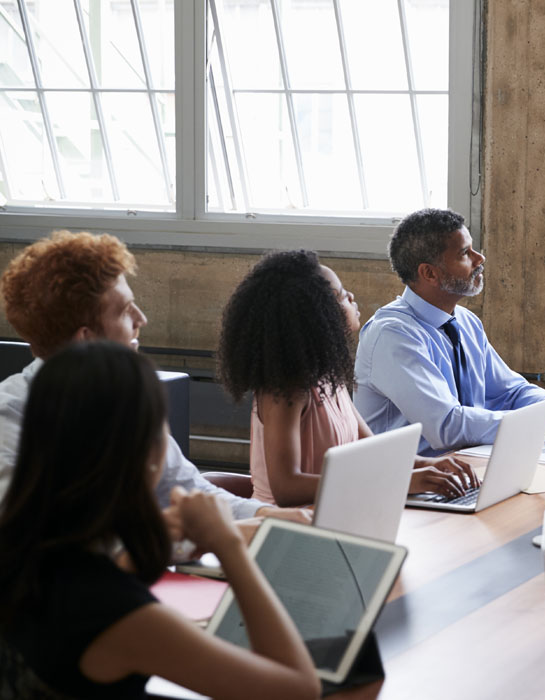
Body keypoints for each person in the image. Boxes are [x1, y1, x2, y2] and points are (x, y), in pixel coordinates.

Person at [0, 342, 320, 699]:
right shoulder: (114, 614)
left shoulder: (26, 554)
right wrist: (229, 546)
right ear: (148, 455)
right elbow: (299, 689)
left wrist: (138, 556)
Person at [0, 231, 306, 525]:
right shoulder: (10, 419)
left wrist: (270, 517)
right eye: (123, 311)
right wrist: (200, 535)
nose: (141, 319)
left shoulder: (125, 400)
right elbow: (46, 537)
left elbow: (189, 490)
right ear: (86, 340)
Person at [216, 250, 478, 507]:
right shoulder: (285, 390)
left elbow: (372, 448)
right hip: (286, 527)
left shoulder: (328, 377)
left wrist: (426, 464)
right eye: (341, 295)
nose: (351, 297)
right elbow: (287, 489)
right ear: (316, 314)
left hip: (336, 513)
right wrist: (403, 480)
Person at [354, 208, 545, 455]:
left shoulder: (464, 321)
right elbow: (446, 425)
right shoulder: (393, 335)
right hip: (409, 484)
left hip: (465, 468)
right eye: (465, 253)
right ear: (429, 273)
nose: (480, 258)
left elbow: (510, 392)